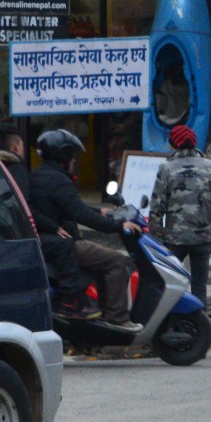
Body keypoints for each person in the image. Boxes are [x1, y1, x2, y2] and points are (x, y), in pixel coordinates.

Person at [25, 128, 132, 323]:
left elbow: (69, 206)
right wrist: (118, 225)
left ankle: (99, 307)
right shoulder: (59, 181)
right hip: (64, 240)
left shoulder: (38, 176)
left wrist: (99, 211)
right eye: (72, 156)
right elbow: (80, 215)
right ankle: (118, 319)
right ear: (63, 155)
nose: (75, 161)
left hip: (46, 237)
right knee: (117, 261)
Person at [151, 124, 211, 306]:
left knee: (170, 286)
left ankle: (172, 324)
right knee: (200, 287)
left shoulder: (166, 168)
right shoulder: (210, 167)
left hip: (174, 241)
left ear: (173, 145)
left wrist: (158, 242)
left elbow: (156, 209)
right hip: (203, 239)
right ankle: (201, 326)